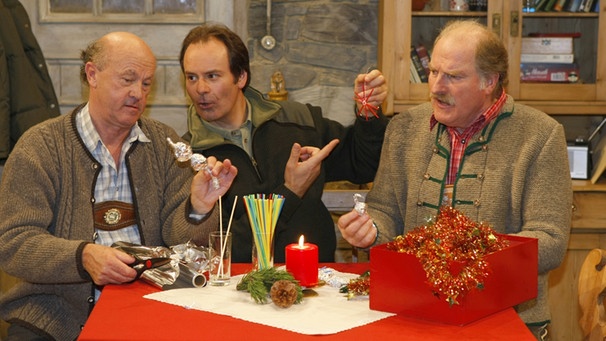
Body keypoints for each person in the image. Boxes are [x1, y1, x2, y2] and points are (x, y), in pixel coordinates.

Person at [337, 20, 572, 340]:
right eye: (433, 72)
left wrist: (463, 255)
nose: (436, 87)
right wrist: (371, 230)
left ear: (489, 81)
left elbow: (551, 240)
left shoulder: (540, 135)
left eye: (454, 76)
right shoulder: (404, 128)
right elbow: (384, 211)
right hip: (413, 314)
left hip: (508, 321)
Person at [0, 32, 237, 341]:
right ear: (92, 74)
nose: (138, 93)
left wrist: (198, 208)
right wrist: (82, 256)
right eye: (127, 80)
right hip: (55, 315)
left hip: (151, 307)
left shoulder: (163, 145)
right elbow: (12, 243)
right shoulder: (41, 147)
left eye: (146, 83)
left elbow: (180, 242)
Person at [179, 23, 389, 263]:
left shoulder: (299, 121)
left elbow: (363, 164)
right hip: (239, 289)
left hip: (316, 281)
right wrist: (290, 191)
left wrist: (368, 113)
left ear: (241, 77)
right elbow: (223, 251)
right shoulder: (189, 159)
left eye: (212, 76)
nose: (200, 89)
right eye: (191, 77)